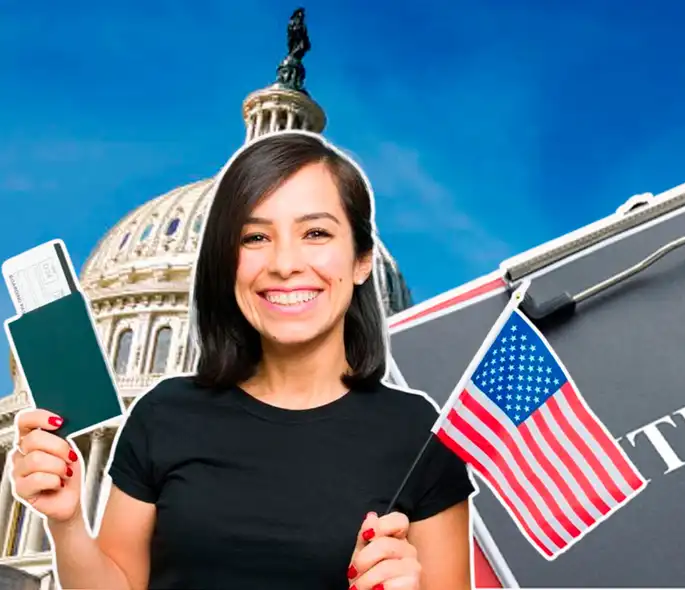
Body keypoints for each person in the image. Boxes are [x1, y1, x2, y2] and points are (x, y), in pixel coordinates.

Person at [8, 130, 476, 590]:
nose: (285, 263)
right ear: (227, 266)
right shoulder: (164, 413)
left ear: (361, 261)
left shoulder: (418, 434)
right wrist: (66, 522)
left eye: (316, 232)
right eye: (254, 237)